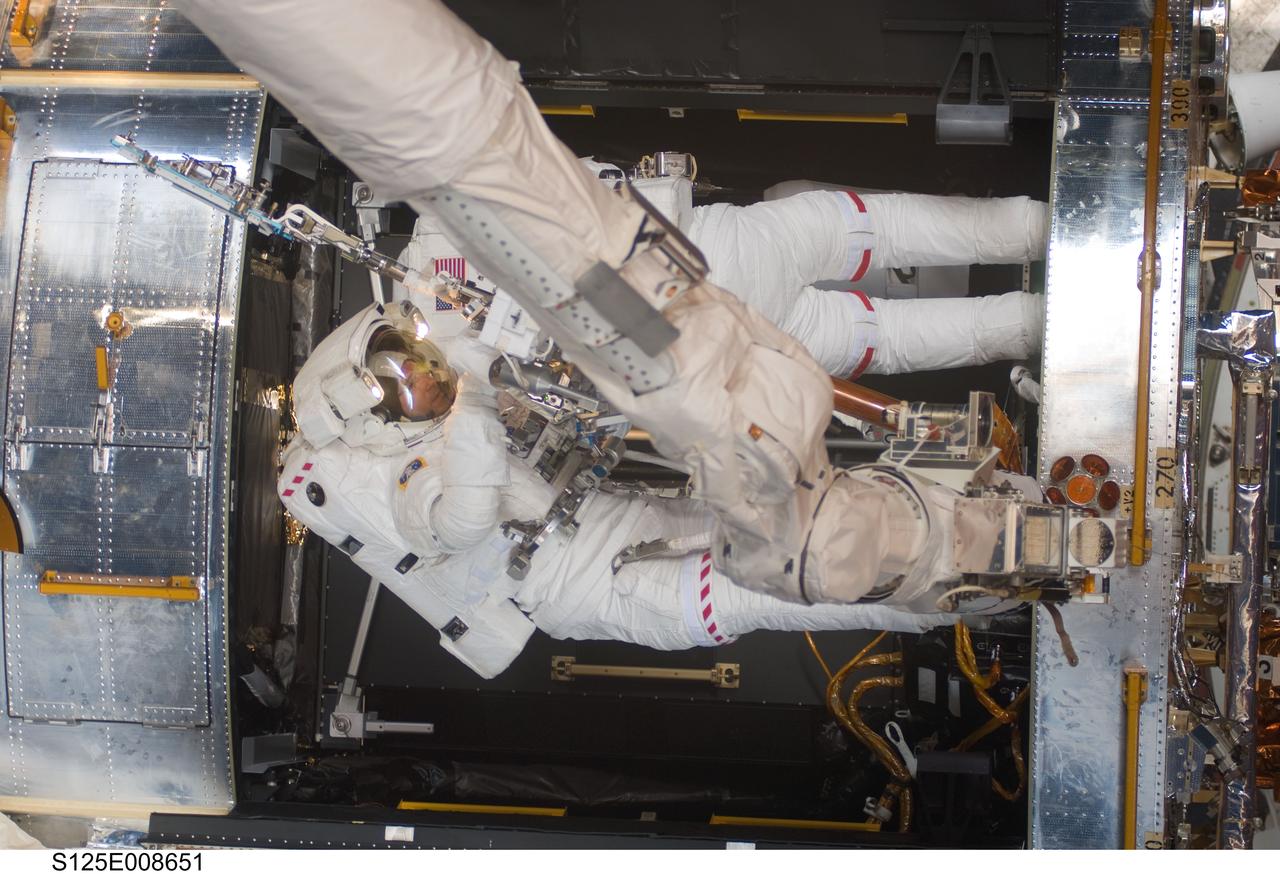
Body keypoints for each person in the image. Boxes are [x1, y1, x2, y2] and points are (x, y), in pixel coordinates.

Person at [280, 300, 955, 679]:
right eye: (410, 384)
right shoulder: (400, 483)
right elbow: (460, 525)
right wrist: (477, 413)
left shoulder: (444, 427)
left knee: (828, 522)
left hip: (626, 524)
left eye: (420, 361)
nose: (429, 378)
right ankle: (973, 589)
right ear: (379, 417)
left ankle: (970, 530)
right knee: (822, 581)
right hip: (606, 583)